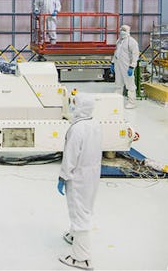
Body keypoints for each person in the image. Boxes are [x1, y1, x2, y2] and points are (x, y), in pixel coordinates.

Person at [57, 92, 102, 270]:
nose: (73, 106)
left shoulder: (77, 128)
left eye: (75, 104)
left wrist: (63, 176)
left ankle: (82, 257)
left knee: (78, 210)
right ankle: (74, 234)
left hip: (78, 176)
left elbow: (70, 156)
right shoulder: (95, 124)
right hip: (92, 173)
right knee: (86, 206)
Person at [111, 24, 140, 109]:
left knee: (130, 84)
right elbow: (116, 52)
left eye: (124, 30)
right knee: (118, 84)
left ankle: (132, 102)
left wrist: (132, 66)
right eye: (121, 30)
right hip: (118, 65)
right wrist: (113, 63)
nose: (122, 32)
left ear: (128, 31)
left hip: (127, 66)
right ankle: (117, 100)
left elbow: (135, 55)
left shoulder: (131, 41)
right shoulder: (119, 41)